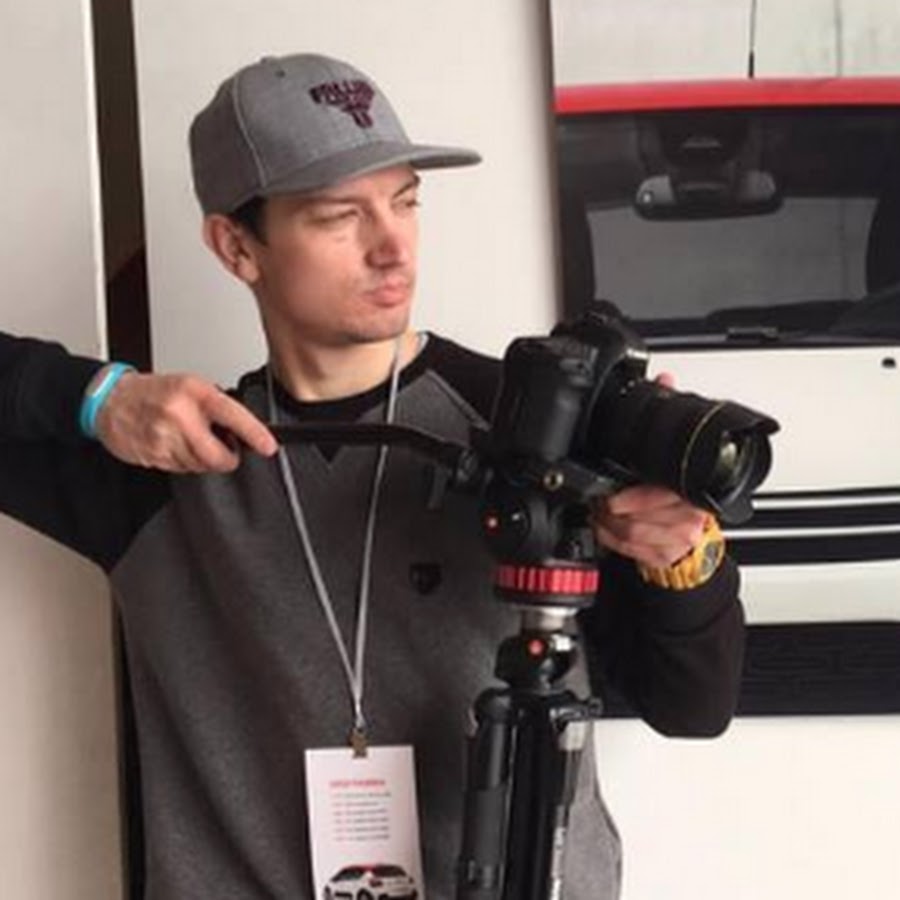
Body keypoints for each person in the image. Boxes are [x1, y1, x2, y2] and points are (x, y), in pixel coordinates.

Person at [0, 53, 744, 900]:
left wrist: (682, 561)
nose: (392, 247)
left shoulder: (536, 425)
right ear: (237, 246)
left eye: (405, 201)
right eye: (339, 216)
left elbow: (693, 706)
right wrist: (95, 398)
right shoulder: (167, 463)